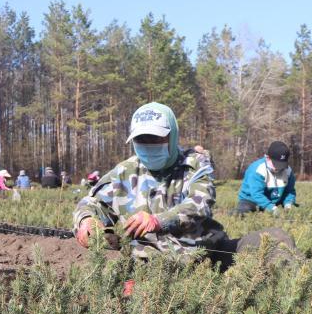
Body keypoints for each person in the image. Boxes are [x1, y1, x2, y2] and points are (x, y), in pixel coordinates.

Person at [73, 102, 227, 260]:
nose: (148, 145)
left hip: (200, 259)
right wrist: (87, 220)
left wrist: (160, 220)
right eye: (141, 139)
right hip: (145, 266)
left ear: (172, 136)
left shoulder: (195, 164)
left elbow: (201, 204)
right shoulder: (124, 172)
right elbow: (92, 203)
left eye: (155, 138)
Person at [236, 141, 296, 215]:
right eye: (276, 164)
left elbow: (290, 191)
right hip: (251, 200)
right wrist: (271, 208)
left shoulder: (288, 171)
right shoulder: (257, 169)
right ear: (267, 158)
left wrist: (288, 203)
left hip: (275, 201)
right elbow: (256, 194)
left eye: (282, 165)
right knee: (242, 213)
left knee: (296, 210)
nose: (278, 168)